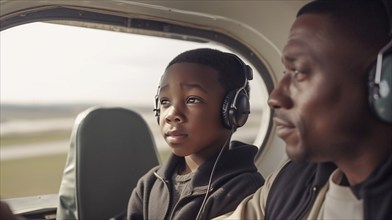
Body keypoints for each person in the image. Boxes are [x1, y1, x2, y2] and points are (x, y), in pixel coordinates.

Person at [215, 0, 392, 219]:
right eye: (284, 74)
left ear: (385, 80)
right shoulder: (292, 179)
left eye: (298, 72)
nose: (275, 98)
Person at [126, 48, 264, 220]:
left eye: (193, 100)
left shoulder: (243, 190)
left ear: (233, 111)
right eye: (165, 101)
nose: (171, 115)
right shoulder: (150, 183)